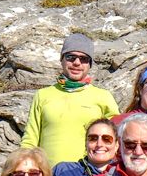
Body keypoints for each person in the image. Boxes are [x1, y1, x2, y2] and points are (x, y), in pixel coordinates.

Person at [21, 33, 118, 168]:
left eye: (84, 59)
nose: (77, 63)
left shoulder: (103, 96)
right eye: (71, 57)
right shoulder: (43, 95)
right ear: (62, 60)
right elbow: (30, 139)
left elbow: (115, 139)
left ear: (89, 64)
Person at [53, 118, 117, 176]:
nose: (99, 144)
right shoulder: (62, 171)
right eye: (93, 138)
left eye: (107, 139)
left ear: (116, 145)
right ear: (85, 143)